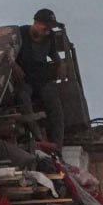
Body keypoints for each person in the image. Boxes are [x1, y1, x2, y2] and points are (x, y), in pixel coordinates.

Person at [12, 9, 67, 145]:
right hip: (24, 79)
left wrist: (61, 64)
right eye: (45, 28)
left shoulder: (49, 37)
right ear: (36, 23)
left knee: (55, 104)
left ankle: (57, 145)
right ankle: (39, 138)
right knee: (23, 98)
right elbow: (6, 53)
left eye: (50, 29)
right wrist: (14, 65)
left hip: (41, 79)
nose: (47, 32)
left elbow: (53, 53)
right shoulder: (21, 33)